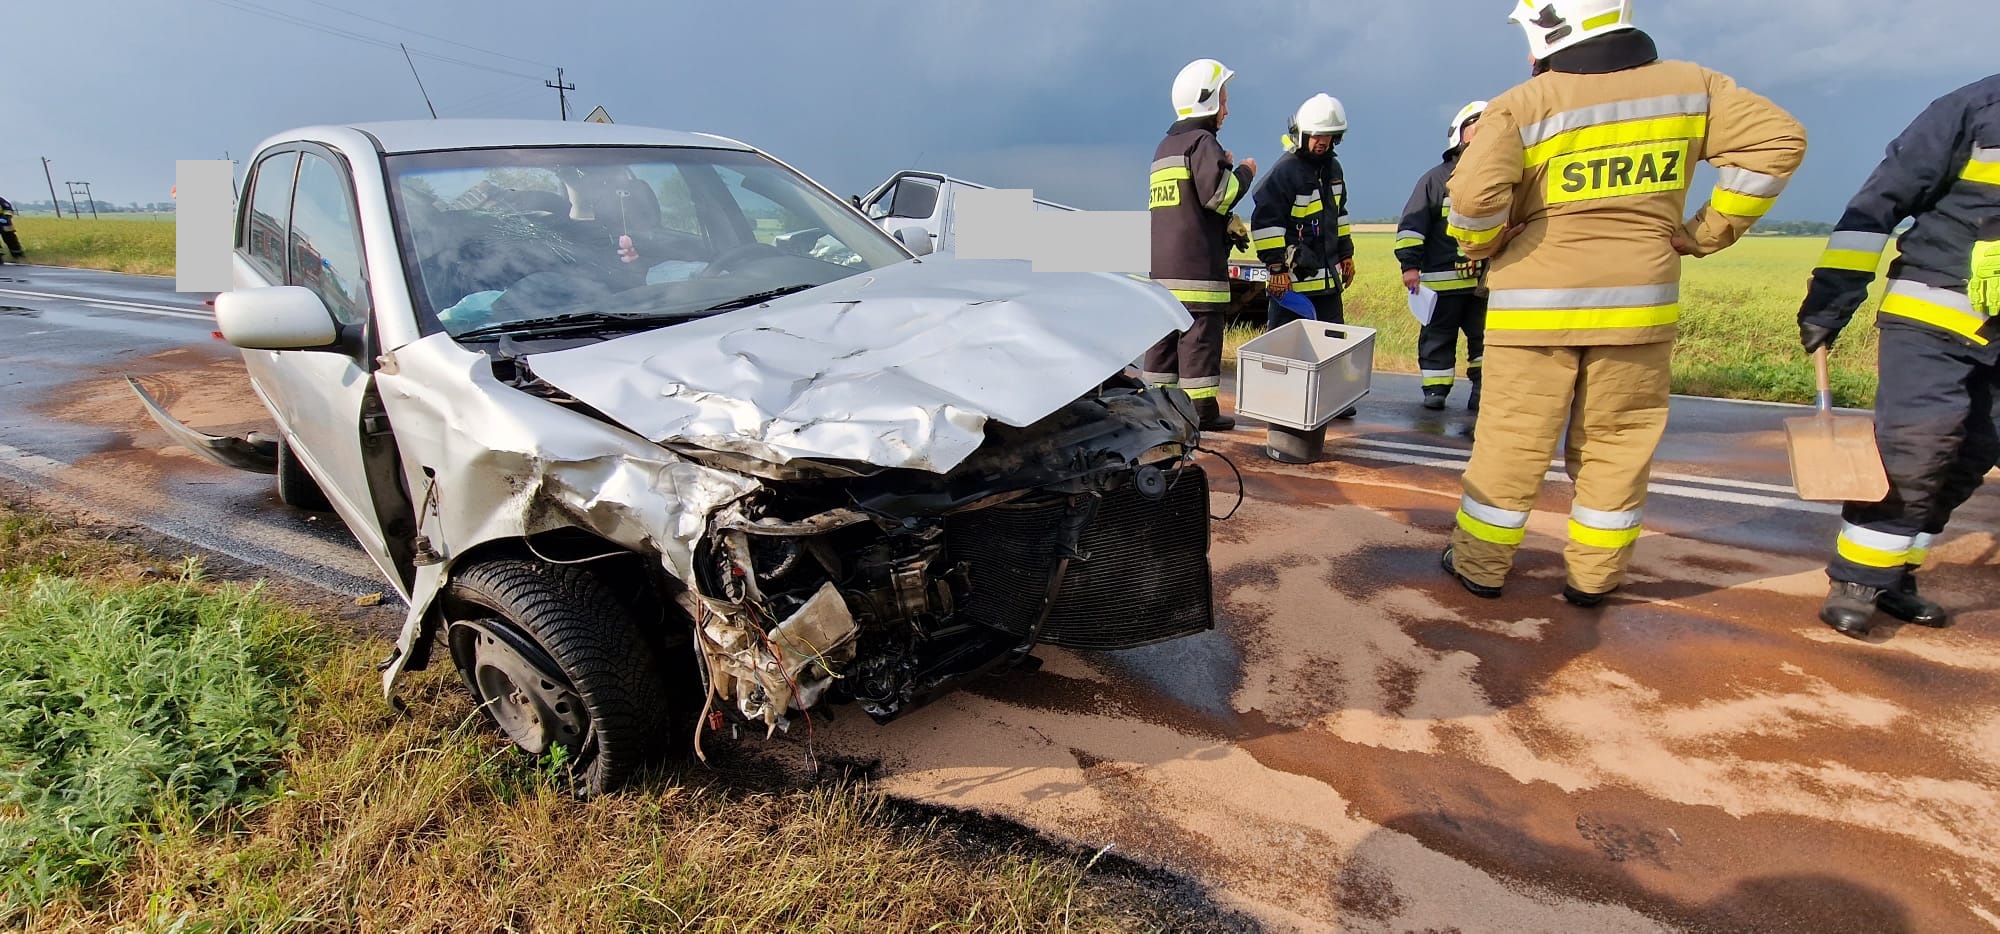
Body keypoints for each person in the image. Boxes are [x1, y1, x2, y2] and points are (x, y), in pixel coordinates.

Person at [1438, 0, 1806, 606]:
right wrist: (1706, 231)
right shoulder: (1693, 87)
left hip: (1533, 310)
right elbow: (1778, 142)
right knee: (1617, 446)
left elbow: (1475, 200)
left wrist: (1484, 243)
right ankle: (1594, 577)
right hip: (1639, 309)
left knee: (1511, 443)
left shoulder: (1523, 104)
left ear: (1554, 29)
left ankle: (1481, 566)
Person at [1795, 74, 2000, 638]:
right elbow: (1878, 204)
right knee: (1918, 444)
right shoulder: (1975, 108)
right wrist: (1832, 301)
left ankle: (1896, 573)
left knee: (1973, 454)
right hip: (1933, 311)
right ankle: (1859, 580)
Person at [1147, 58, 1257, 432]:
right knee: (1199, 343)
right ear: (1206, 101)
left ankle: (1156, 411)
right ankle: (1202, 413)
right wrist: (1244, 171)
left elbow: (1188, 204)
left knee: (1162, 347)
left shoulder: (1165, 147)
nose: (1226, 110)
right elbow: (1220, 196)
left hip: (1163, 274)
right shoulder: (1203, 142)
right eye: (1223, 101)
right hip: (1197, 273)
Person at [1396, 101, 1492, 412]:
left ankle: (1482, 391)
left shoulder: (1497, 178)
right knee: (1437, 338)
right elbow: (1412, 227)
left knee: (1485, 340)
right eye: (1475, 129)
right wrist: (1410, 266)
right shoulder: (1435, 181)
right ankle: (1436, 391)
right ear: (1459, 135)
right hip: (1442, 286)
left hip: (1483, 285)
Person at [1251, 94, 1356, 333]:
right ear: (1302, 134)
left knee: (1333, 346)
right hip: (1292, 289)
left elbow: (1339, 216)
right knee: (1285, 349)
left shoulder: (1334, 169)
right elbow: (1267, 223)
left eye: (1329, 135)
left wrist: (1346, 254)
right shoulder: (1285, 171)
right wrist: (1276, 268)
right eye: (1317, 135)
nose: (1323, 142)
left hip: (1329, 287)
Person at [0, 196, 25, 261]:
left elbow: (8, 209)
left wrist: (6, 217)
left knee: (11, 239)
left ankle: (18, 257)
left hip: (4, 223)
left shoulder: (1, 200)